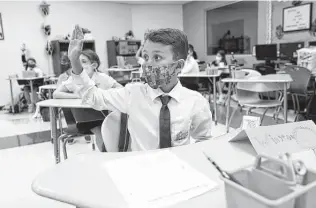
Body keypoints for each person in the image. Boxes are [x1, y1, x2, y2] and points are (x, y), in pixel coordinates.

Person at [69, 28, 212, 152]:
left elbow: (203, 139)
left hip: (179, 170)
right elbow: (94, 98)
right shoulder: (132, 94)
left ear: (179, 66)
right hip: (141, 169)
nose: (148, 64)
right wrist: (75, 63)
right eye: (146, 57)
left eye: (157, 57)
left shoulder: (195, 101)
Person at [53, 50, 122, 151]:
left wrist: (106, 93)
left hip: (104, 114)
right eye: (78, 62)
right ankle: (107, 155)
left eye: (84, 62)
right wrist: (77, 96)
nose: (79, 65)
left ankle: (116, 153)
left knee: (116, 129)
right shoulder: (73, 79)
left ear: (94, 65)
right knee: (100, 130)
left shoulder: (102, 77)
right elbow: (56, 94)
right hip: (84, 117)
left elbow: (120, 88)